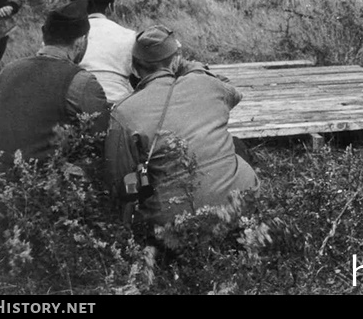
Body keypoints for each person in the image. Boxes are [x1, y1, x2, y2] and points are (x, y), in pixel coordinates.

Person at [106, 28, 258, 230]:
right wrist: (193, 68)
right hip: (242, 203)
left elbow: (120, 181)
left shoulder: (123, 112)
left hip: (178, 225)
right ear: (176, 61)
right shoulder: (206, 84)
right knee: (236, 147)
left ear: (133, 68)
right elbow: (232, 93)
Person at [0, 0, 109, 165]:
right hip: (48, 182)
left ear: (44, 35)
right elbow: (102, 140)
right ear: (81, 41)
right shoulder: (81, 81)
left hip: (0, 176)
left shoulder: (8, 71)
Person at [70, 0, 137, 103]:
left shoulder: (62, 37)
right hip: (119, 103)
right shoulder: (129, 35)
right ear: (110, 7)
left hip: (75, 103)